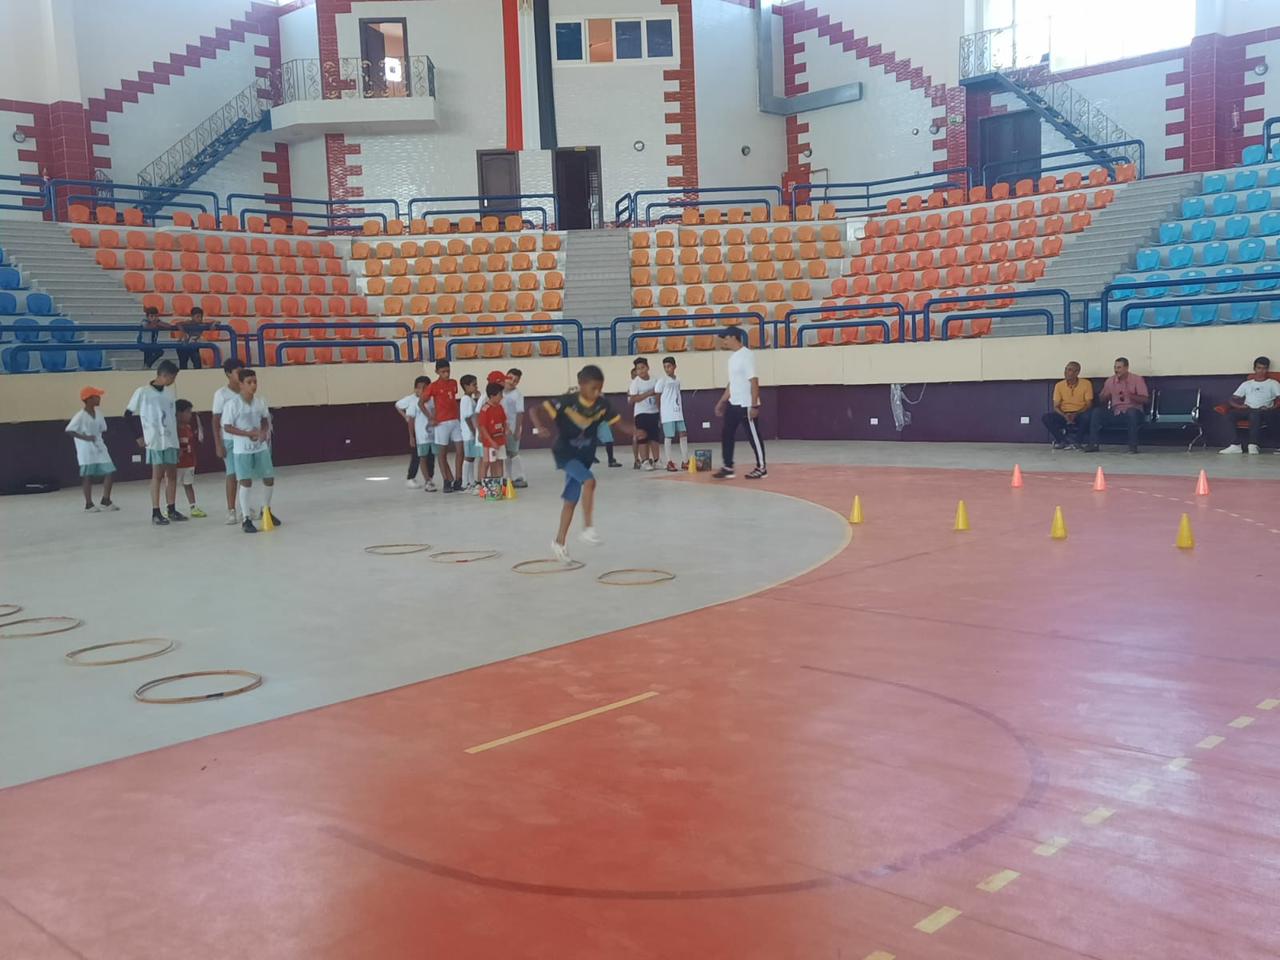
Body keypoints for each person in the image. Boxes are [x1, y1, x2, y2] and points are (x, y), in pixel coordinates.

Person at [531, 364, 628, 564]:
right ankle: (587, 529)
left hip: (584, 456)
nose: (597, 392)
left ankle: (559, 542)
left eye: (600, 388)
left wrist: (636, 432)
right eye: (593, 388)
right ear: (581, 385)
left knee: (570, 501)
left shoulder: (602, 405)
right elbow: (534, 410)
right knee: (589, 481)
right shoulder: (566, 401)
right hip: (566, 454)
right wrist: (539, 427)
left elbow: (619, 424)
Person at [221, 368, 280, 534]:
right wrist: (247, 434)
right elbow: (227, 427)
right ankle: (246, 518)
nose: (253, 385)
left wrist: (263, 431)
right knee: (245, 481)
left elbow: (265, 419)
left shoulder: (259, 402)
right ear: (241, 384)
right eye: (249, 382)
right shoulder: (233, 405)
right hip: (242, 449)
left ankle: (266, 510)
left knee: (269, 478)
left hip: (260, 447)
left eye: (255, 382)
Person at [126, 359, 185, 525]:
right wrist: (138, 436)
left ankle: (171, 508)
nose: (173, 381)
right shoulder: (143, 392)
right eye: (172, 377)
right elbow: (127, 415)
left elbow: (173, 417)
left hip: (170, 439)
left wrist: (178, 440)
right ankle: (155, 511)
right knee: (157, 475)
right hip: (155, 440)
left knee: (172, 474)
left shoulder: (169, 393)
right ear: (164, 375)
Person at [713, 327, 766, 479]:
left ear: (733, 337)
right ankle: (728, 466)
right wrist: (722, 401)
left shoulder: (746, 355)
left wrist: (754, 405)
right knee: (727, 433)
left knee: (753, 436)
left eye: (725, 338)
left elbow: (754, 380)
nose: (724, 341)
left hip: (746, 404)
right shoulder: (732, 358)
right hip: (733, 403)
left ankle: (762, 467)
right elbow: (732, 383)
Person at [65, 385, 118, 513]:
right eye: (96, 396)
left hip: (99, 447)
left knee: (109, 471)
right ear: (88, 399)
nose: (99, 398)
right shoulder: (80, 416)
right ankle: (88, 504)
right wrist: (85, 437)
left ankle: (106, 500)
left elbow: (103, 428)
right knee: (87, 476)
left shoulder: (99, 413)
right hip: (86, 449)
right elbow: (69, 430)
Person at [1084, 357, 1149, 453]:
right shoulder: (1110, 381)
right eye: (1115, 367)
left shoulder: (1137, 379)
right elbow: (1101, 400)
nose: (1116, 370)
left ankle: (1133, 447)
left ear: (1126, 368)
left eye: (1119, 367)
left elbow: (1145, 399)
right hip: (1116, 412)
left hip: (1134, 412)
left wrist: (1130, 395)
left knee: (1131, 412)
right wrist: (1105, 396)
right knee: (1097, 412)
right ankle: (1093, 444)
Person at [1219, 355, 1280, 454]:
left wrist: (1271, 408)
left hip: (1264, 411)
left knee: (1254, 414)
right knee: (1230, 415)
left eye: (1264, 368)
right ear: (1254, 369)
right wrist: (1239, 406)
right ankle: (1236, 445)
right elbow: (1231, 399)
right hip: (1247, 409)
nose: (1261, 371)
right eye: (1259, 368)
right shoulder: (1247, 384)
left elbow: (1279, 399)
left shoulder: (1273, 383)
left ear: (1267, 369)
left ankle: (1253, 445)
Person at [212, 358, 245, 525]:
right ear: (228, 374)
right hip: (229, 440)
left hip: (245, 440)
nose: (241, 374)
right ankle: (231, 510)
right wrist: (218, 444)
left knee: (245, 475)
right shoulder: (221, 394)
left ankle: (245, 507)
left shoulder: (246, 391)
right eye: (237, 371)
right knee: (232, 474)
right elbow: (215, 420)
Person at [425, 360, 463, 492]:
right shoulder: (433, 386)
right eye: (443, 372)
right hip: (441, 422)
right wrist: (430, 417)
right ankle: (446, 480)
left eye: (448, 371)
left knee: (460, 450)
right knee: (442, 453)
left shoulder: (453, 383)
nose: (446, 374)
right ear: (437, 372)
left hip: (455, 421)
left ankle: (458, 480)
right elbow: (421, 402)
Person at [1041, 361, 1095, 449]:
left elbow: (1089, 404)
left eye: (1069, 370)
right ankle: (1062, 441)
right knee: (1046, 418)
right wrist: (1065, 415)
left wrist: (1075, 414)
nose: (1066, 372)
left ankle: (1077, 442)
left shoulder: (1086, 384)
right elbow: (1056, 406)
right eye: (1065, 369)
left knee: (1087, 417)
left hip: (1080, 412)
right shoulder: (1059, 385)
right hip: (1064, 413)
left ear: (1077, 372)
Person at [396, 375, 435, 489]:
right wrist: (411, 435)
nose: (421, 390)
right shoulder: (413, 401)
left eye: (425, 387)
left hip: (431, 435)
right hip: (419, 435)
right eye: (419, 388)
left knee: (431, 457)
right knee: (417, 457)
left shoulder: (431, 400)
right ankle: (411, 477)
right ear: (415, 389)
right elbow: (400, 407)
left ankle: (429, 478)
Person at [653, 356, 689, 471]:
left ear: (674, 366)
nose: (667, 369)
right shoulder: (662, 381)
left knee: (683, 433)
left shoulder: (678, 380)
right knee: (669, 436)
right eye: (665, 367)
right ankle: (669, 461)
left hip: (678, 412)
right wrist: (660, 411)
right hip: (667, 413)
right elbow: (657, 396)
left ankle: (685, 461)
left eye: (669, 366)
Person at [628, 358, 662, 470]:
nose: (641, 370)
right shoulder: (635, 383)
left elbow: (659, 394)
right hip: (641, 413)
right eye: (638, 369)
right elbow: (633, 399)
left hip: (654, 412)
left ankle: (657, 460)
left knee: (654, 437)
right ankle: (645, 461)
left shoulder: (655, 380)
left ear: (647, 368)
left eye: (643, 367)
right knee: (642, 437)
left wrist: (660, 410)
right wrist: (648, 393)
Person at [175, 399, 206, 518]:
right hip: (177, 464)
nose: (190, 415)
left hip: (189, 463)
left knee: (188, 484)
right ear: (178, 413)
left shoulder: (188, 428)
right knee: (171, 485)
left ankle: (193, 507)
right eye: (187, 412)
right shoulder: (174, 430)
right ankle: (170, 507)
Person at [476, 381, 509, 490]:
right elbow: (483, 427)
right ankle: (483, 486)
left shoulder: (500, 407)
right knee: (488, 462)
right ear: (492, 396)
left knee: (500, 461)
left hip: (500, 440)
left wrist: (506, 430)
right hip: (490, 442)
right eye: (500, 395)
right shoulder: (485, 409)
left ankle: (499, 484)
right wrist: (491, 441)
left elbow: (504, 421)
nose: (502, 397)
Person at [503, 367, 529, 488]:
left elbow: (519, 413)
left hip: (513, 428)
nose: (512, 382)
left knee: (513, 452)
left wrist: (517, 430)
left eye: (515, 381)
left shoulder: (517, 395)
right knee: (505, 454)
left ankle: (520, 476)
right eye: (510, 378)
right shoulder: (499, 392)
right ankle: (507, 477)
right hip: (502, 428)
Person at [459, 374, 482, 491]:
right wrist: (473, 431)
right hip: (469, 433)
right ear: (466, 386)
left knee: (472, 457)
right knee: (468, 457)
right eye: (474, 384)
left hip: (471, 432)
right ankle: (465, 483)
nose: (476, 387)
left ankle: (471, 481)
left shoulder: (470, 399)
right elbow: (467, 417)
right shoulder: (466, 400)